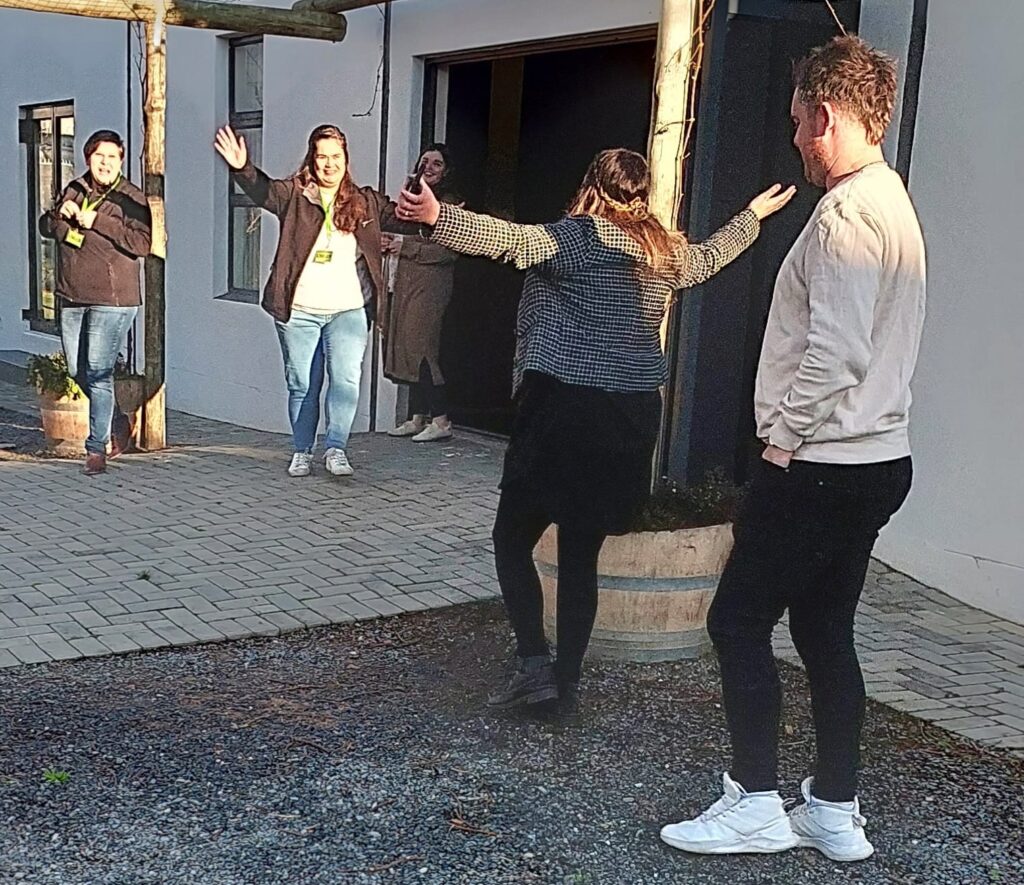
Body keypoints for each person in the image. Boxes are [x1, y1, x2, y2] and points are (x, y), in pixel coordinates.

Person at [397, 148, 794, 712]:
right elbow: (709, 258)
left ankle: (534, 664)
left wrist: (439, 217)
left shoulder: (580, 238)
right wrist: (752, 216)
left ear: (591, 186)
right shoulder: (663, 252)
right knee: (580, 556)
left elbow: (511, 240)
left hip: (562, 411)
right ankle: (566, 683)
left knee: (511, 539)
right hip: (627, 420)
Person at [660, 36, 926, 863]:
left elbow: (837, 351)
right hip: (875, 459)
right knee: (824, 628)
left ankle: (754, 802)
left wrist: (781, 440)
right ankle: (834, 809)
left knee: (736, 619)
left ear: (827, 115)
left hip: (821, 463)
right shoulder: (893, 201)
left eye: (798, 121)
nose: (795, 140)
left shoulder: (846, 215)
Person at [214, 124, 419, 478]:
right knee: (303, 386)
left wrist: (425, 204)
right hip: (300, 311)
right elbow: (263, 191)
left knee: (346, 382)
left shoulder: (365, 201)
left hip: (348, 310)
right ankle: (302, 450)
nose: (329, 164)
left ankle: (336, 448)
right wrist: (242, 168)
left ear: (346, 159)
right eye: (322, 156)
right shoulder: (294, 195)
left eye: (335, 156)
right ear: (312, 158)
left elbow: (404, 219)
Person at [39, 129, 151, 476]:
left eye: (112, 157)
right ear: (88, 158)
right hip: (72, 295)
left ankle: (95, 450)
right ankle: (117, 419)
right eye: (99, 156)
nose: (105, 163)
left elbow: (142, 244)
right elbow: (46, 225)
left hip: (113, 299)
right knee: (78, 371)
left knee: (99, 373)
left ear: (121, 160)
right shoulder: (75, 188)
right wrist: (60, 217)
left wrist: (98, 221)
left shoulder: (131, 198)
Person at [383, 144, 462, 442]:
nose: (428, 167)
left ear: (447, 171)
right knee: (406, 347)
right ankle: (417, 417)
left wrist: (404, 246)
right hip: (405, 281)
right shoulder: (411, 198)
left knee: (422, 348)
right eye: (424, 161)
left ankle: (441, 420)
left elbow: (447, 251)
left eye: (437, 164)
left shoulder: (449, 204)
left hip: (430, 286)